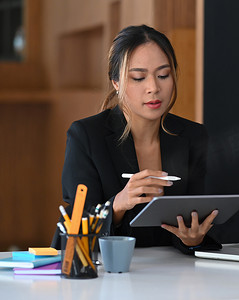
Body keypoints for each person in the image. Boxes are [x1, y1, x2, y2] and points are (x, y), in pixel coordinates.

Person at [51, 25, 221, 254]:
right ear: (116, 82)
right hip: (106, 278)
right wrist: (119, 204)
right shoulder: (86, 136)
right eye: (138, 78)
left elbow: (202, 222)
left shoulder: (193, 136)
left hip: (171, 277)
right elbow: (77, 229)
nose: (153, 87)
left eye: (163, 75)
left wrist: (193, 239)